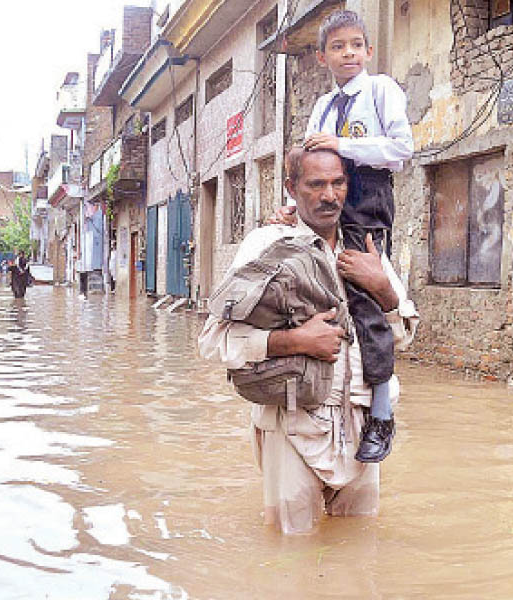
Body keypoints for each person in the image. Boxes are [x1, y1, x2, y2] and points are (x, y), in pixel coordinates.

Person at [198, 148, 417, 534]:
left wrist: (384, 291)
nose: (329, 195)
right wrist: (295, 340)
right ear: (291, 189)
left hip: (364, 427)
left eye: (337, 183)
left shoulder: (364, 246)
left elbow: (403, 337)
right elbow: (213, 342)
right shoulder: (267, 245)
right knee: (289, 549)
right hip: (292, 423)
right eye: (315, 185)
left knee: (358, 545)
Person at [273, 10, 414, 463]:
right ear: (322, 57)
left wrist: (343, 146)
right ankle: (318, 397)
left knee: (367, 301)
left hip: (367, 202)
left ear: (368, 51)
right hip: (329, 202)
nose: (348, 53)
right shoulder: (321, 107)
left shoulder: (381, 90)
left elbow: (401, 149)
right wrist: (295, 205)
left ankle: (382, 412)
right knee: (318, 293)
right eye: (338, 47)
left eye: (356, 45)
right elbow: (312, 165)